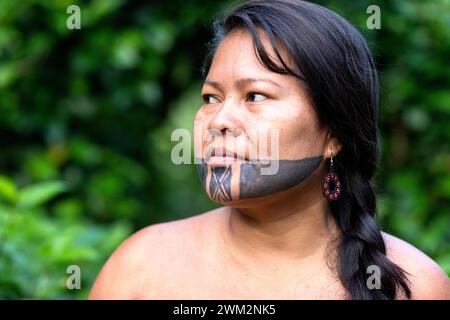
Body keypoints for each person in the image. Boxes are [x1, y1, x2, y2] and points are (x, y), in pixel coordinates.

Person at [89, 0, 450, 299]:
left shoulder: (414, 286)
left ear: (333, 134)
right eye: (211, 97)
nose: (219, 120)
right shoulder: (142, 266)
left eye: (255, 96)